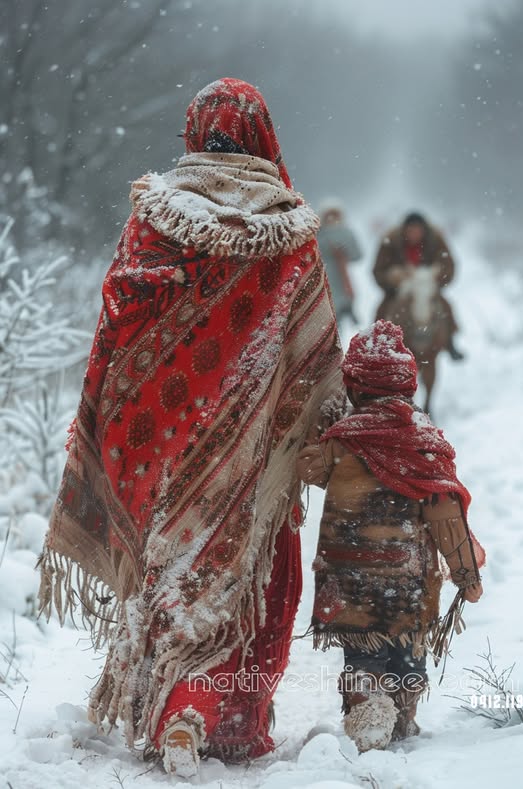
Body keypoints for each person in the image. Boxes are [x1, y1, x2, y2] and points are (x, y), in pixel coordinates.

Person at [38, 78, 345, 777]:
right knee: (247, 575)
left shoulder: (154, 217)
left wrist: (122, 419)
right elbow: (314, 353)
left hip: (162, 445)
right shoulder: (288, 228)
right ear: (263, 136)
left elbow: (117, 326)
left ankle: (175, 705)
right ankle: (214, 714)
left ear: (194, 132)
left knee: (172, 574)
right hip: (252, 446)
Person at [297, 320, 485, 753]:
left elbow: (307, 467)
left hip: (348, 578)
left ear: (355, 387)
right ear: (407, 386)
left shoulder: (344, 442)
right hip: (408, 581)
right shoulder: (424, 444)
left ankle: (366, 706)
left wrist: (322, 430)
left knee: (361, 654)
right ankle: (401, 712)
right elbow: (447, 518)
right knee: (407, 651)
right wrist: (466, 575)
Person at [373, 212, 464, 360]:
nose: (414, 234)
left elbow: (449, 267)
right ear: (404, 231)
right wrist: (393, 279)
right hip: (398, 290)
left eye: (418, 231)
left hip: (428, 287)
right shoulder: (391, 241)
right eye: (411, 231)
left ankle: (450, 343)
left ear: (424, 231)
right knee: (382, 312)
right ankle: (377, 347)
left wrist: (436, 276)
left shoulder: (436, 240)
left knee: (445, 308)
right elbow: (378, 270)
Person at [317, 201, 362, 327]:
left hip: (341, 281)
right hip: (324, 278)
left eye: (335, 215)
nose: (332, 219)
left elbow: (357, 255)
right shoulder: (318, 233)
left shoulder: (346, 233)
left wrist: (343, 253)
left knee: (337, 321)